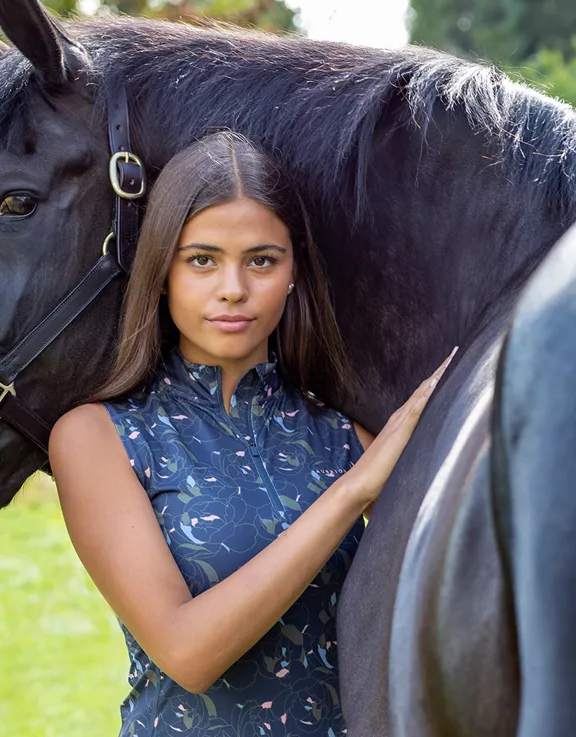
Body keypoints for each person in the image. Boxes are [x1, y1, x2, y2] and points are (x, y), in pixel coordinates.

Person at [49, 131, 455, 736]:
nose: (233, 287)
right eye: (202, 259)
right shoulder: (100, 436)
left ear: (294, 272)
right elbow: (188, 655)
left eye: (262, 260)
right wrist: (351, 494)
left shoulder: (344, 430)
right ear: (162, 271)